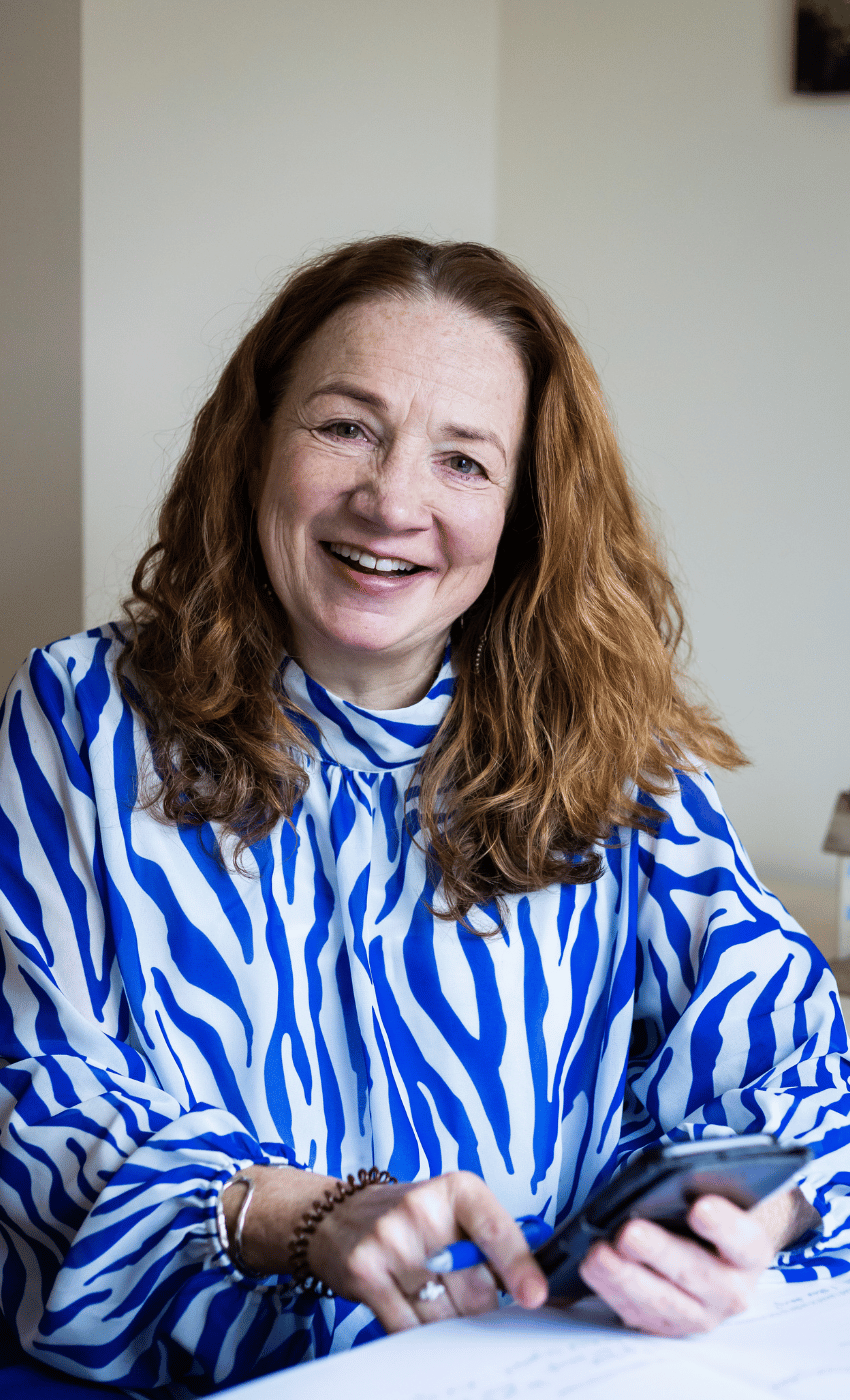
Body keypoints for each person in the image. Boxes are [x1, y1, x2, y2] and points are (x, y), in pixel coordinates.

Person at [0, 235, 848, 1398]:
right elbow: (35, 1098)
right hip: (208, 1376)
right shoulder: (82, 714)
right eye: (344, 427)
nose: (392, 499)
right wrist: (306, 1216)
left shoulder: (615, 747)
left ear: (525, 512)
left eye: (464, 461)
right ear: (254, 443)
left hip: (551, 1365)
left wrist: (752, 1220)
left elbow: (798, 1075)